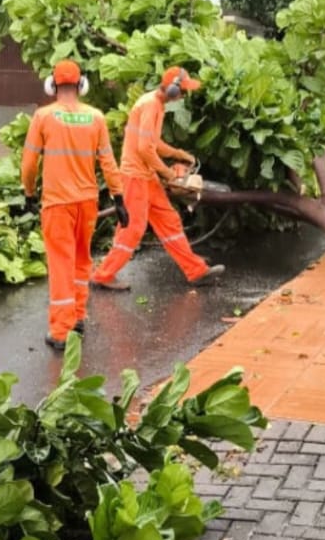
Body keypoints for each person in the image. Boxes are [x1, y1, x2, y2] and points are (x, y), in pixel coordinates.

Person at [21, 60, 127, 351]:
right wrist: (119, 199)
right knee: (81, 260)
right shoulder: (96, 118)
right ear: (81, 85)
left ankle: (60, 330)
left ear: (52, 85)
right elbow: (108, 162)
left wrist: (29, 194)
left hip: (57, 204)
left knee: (60, 264)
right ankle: (78, 316)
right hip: (88, 202)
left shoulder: (43, 116)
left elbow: (29, 164)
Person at [91, 66, 223, 291]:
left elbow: (153, 144)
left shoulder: (155, 104)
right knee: (132, 229)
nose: (184, 96)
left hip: (146, 176)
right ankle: (103, 275)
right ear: (172, 90)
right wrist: (168, 173)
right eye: (183, 91)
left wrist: (178, 154)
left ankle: (196, 271)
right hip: (135, 176)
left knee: (169, 221)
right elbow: (144, 149)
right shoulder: (151, 105)